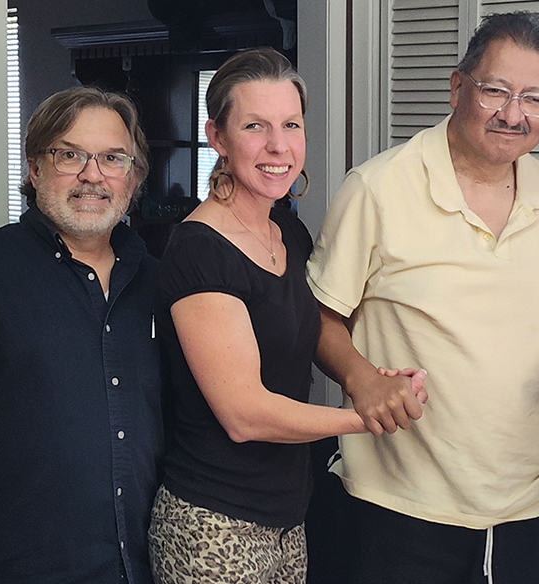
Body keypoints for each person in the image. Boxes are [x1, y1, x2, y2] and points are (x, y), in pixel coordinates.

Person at [306, 11, 539, 584]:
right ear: (457, 86)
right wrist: (361, 378)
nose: (513, 113)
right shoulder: (377, 188)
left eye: (534, 98)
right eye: (495, 90)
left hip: (528, 505)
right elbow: (321, 316)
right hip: (397, 505)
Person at [147, 48, 423, 584]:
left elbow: (315, 326)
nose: (279, 146)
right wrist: (365, 417)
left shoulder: (287, 232)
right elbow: (244, 413)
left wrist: (368, 378)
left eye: (291, 125)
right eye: (255, 126)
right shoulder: (197, 250)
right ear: (218, 137)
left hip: (288, 515)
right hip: (212, 521)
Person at [0, 87, 162, 583]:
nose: (92, 175)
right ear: (34, 168)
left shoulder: (161, 283)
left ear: (134, 177)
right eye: (69, 155)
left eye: (112, 158)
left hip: (145, 569)